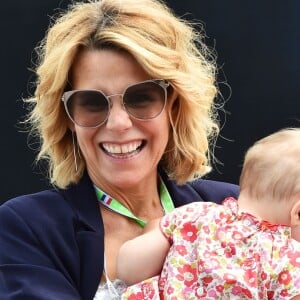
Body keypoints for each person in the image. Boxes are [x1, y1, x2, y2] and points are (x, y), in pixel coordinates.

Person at [0, 0, 239, 299]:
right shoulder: (26, 227)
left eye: (141, 97)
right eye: (92, 101)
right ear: (67, 117)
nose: (118, 123)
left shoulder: (234, 207)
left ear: (174, 107)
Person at [117, 128, 300, 299]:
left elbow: (129, 269)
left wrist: (156, 230)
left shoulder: (195, 213)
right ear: (297, 213)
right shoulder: (290, 258)